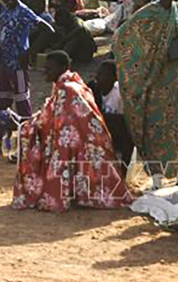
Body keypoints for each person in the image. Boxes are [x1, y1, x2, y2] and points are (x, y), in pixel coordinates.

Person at [13, 50, 129, 211]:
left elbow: (60, 124)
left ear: (62, 68)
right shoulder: (68, 84)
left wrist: (28, 126)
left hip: (83, 143)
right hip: (86, 141)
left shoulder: (68, 89)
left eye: (49, 68)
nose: (44, 71)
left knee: (59, 145)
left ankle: (60, 193)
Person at [113, 0, 178, 183]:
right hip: (158, 80)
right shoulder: (149, 14)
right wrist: (148, 60)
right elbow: (123, 38)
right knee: (156, 129)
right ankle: (157, 177)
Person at [0, 0, 53, 160]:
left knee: (23, 106)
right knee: (1, 105)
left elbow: (49, 30)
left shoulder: (24, 11)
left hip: (18, 68)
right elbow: (5, 33)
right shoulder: (4, 10)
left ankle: (29, 147)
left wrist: (29, 52)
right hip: (5, 66)